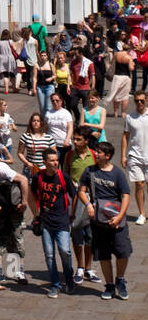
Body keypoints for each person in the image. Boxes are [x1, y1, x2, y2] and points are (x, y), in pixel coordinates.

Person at [77, 141, 132, 300]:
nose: (96, 153)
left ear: (107, 156)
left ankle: (120, 280)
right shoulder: (89, 171)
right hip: (98, 219)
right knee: (103, 254)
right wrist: (88, 205)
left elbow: (126, 195)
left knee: (123, 251)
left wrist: (120, 216)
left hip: (117, 218)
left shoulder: (118, 174)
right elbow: (81, 191)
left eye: (99, 152)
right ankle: (109, 285)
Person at [29, 147, 76, 298]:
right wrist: (36, 214)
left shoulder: (64, 177)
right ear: (45, 162)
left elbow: (74, 196)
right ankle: (55, 284)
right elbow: (31, 195)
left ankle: (69, 279)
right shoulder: (38, 177)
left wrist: (72, 214)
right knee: (49, 255)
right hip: (46, 222)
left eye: (57, 160)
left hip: (62, 221)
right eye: (52, 161)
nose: (56, 163)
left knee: (65, 251)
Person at [0, 158, 30, 286]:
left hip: (14, 206)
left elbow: (23, 180)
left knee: (16, 236)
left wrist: (24, 202)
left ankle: (17, 271)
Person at [64, 129, 101, 285]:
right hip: (74, 200)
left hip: (91, 200)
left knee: (90, 236)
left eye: (78, 139)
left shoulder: (94, 155)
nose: (75, 142)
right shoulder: (69, 156)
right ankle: (79, 267)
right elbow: (65, 176)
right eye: (74, 139)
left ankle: (88, 268)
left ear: (86, 141)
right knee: (77, 233)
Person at [122, 90, 148, 225]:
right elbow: (125, 137)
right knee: (139, 185)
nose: (139, 103)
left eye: (142, 100)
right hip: (135, 156)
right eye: (137, 100)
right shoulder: (130, 117)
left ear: (146, 101)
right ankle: (142, 214)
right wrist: (123, 156)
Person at [17, 113, 55, 179]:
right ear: (31, 123)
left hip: (44, 170)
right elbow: (20, 153)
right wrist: (27, 163)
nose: (36, 122)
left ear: (41, 123)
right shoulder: (25, 136)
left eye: (38, 121)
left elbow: (54, 154)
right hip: (30, 169)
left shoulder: (49, 138)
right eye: (34, 121)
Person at [108, 36, 135, 118]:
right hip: (125, 77)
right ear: (128, 50)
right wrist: (133, 64)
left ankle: (115, 112)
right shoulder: (129, 57)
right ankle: (123, 113)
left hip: (117, 76)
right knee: (125, 96)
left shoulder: (116, 54)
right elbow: (131, 69)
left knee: (116, 95)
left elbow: (111, 62)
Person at [44, 92, 74, 162]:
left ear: (61, 101)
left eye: (57, 100)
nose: (55, 102)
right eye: (53, 101)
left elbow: (70, 127)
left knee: (64, 168)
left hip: (64, 144)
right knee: (53, 168)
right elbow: (45, 128)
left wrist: (67, 139)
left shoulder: (66, 113)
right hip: (52, 144)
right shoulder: (48, 113)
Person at [68, 46, 95, 123]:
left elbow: (93, 76)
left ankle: (86, 121)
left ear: (81, 53)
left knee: (86, 107)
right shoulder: (73, 62)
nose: (75, 56)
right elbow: (70, 74)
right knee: (72, 105)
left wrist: (92, 89)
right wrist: (68, 86)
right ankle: (78, 117)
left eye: (76, 54)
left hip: (85, 88)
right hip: (75, 87)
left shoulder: (89, 63)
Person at [0, 29, 17, 94]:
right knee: (12, 74)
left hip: (2, 58)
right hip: (10, 58)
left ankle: (6, 90)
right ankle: (14, 88)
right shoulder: (10, 41)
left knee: (5, 74)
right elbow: (15, 49)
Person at [35, 50, 56, 115]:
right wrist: (33, 88)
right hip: (40, 87)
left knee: (48, 106)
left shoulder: (50, 65)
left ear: (47, 57)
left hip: (49, 86)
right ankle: (43, 122)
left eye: (44, 56)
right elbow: (34, 77)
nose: (43, 57)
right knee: (42, 107)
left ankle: (48, 122)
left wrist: (51, 78)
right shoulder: (37, 65)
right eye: (42, 56)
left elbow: (55, 75)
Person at [21, 26, 38, 95]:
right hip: (34, 59)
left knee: (28, 74)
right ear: (30, 33)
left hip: (26, 59)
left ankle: (29, 89)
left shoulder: (24, 40)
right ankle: (34, 88)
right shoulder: (35, 41)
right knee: (34, 75)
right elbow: (36, 51)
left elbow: (22, 49)